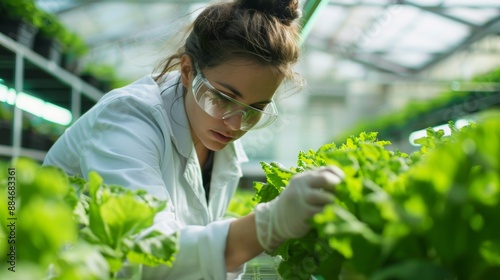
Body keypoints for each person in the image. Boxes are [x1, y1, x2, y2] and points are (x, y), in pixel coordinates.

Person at [43, 0, 345, 279]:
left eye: (255, 109)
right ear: (188, 71)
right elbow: (149, 254)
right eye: (224, 98)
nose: (236, 125)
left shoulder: (217, 138)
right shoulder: (128, 120)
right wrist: (268, 225)